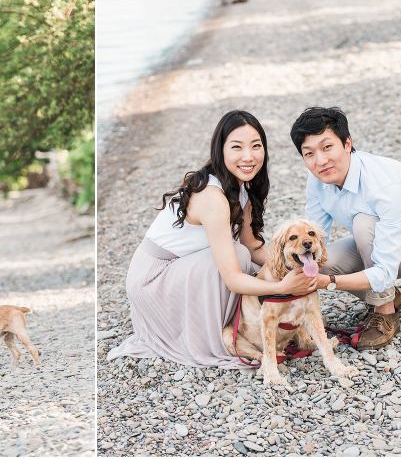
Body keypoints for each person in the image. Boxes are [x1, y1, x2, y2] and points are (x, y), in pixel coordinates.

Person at [107, 110, 317, 367]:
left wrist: (294, 264)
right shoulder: (212, 196)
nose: (248, 156)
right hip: (154, 279)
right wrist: (282, 287)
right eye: (237, 147)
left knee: (251, 261)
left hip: (185, 267)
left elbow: (254, 247)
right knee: (239, 260)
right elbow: (233, 277)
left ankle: (249, 322)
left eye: (256, 146)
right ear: (221, 150)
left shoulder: (242, 190)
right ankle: (220, 334)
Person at [290, 107, 401, 349]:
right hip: (379, 241)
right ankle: (392, 297)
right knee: (318, 260)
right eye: (309, 153)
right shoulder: (317, 181)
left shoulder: (383, 183)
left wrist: (329, 282)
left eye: (327, 147)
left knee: (364, 223)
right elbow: (314, 238)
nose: (320, 161)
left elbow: (385, 269)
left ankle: (385, 311)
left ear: (347, 144)